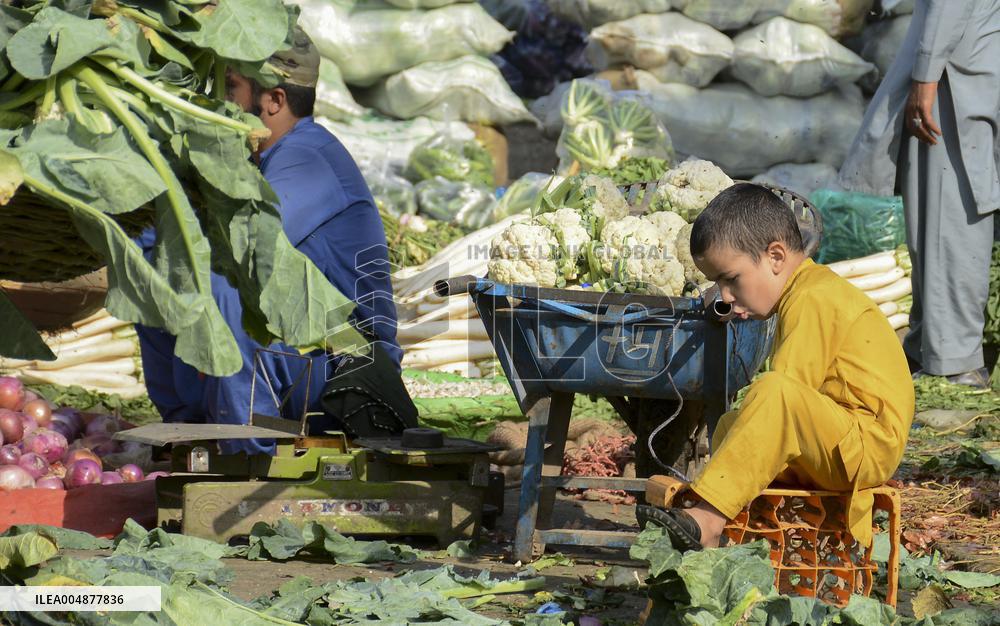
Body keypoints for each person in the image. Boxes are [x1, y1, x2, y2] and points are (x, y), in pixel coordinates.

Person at [136, 28, 404, 454]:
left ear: (274, 101)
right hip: (305, 349)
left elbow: (244, 252)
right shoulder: (258, 160)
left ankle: (245, 457)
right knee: (153, 274)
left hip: (350, 371)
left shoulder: (307, 158)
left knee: (224, 290)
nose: (220, 99)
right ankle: (187, 433)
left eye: (231, 87)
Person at [637, 184, 915, 551]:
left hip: (864, 446)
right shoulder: (802, 292)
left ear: (776, 257)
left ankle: (708, 521)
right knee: (729, 425)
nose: (725, 297)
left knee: (773, 392)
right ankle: (734, 521)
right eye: (718, 284)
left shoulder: (814, 297)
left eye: (731, 279)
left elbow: (788, 395)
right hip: (835, 440)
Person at [838, 0, 1000, 389]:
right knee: (930, 212)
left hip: (956, 70)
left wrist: (925, 78)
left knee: (950, 213)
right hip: (959, 57)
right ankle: (928, 343)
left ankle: (957, 360)